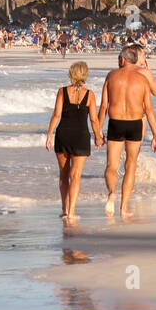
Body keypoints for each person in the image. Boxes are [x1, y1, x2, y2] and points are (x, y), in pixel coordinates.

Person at [97, 45, 156, 217]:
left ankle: (111, 193)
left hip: (116, 123)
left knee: (111, 166)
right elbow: (149, 109)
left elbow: (103, 106)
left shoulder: (111, 76)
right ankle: (123, 208)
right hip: (135, 124)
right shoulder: (142, 79)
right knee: (130, 166)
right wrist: (155, 135)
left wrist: (98, 131)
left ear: (123, 60)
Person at [44, 61, 103, 220]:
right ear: (85, 75)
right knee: (75, 176)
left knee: (63, 175)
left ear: (71, 73)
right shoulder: (89, 94)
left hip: (63, 135)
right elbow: (94, 119)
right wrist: (98, 137)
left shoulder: (62, 92)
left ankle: (64, 210)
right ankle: (71, 211)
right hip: (81, 137)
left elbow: (56, 115)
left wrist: (49, 135)